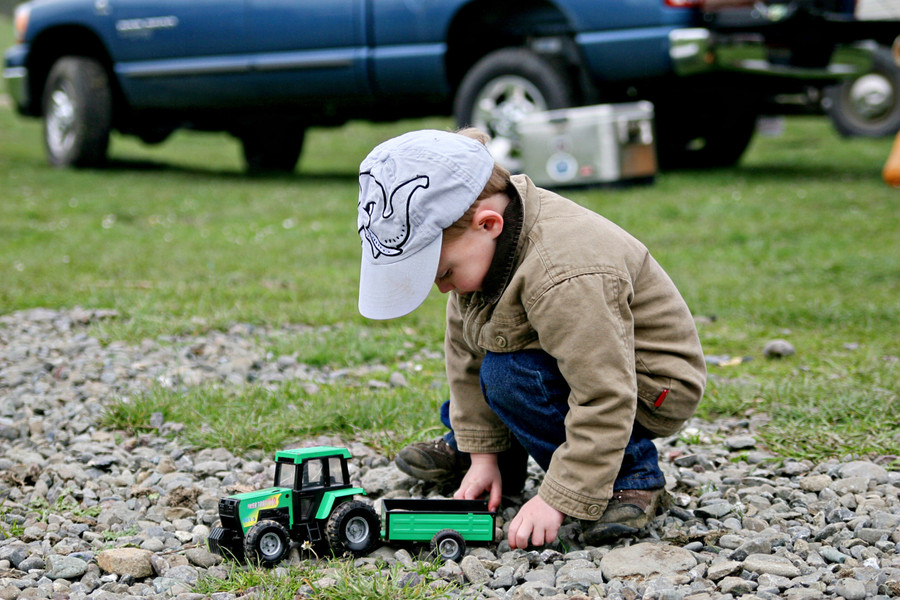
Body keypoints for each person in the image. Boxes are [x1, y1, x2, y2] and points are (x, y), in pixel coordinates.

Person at [356, 128, 706, 548]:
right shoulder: (480, 254)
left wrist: (556, 499)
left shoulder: (564, 273)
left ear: (489, 223)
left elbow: (605, 392)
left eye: (444, 273)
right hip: (579, 355)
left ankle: (630, 475)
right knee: (493, 360)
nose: (443, 289)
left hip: (647, 384)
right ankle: (498, 452)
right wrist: (483, 454)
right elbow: (465, 359)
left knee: (510, 374)